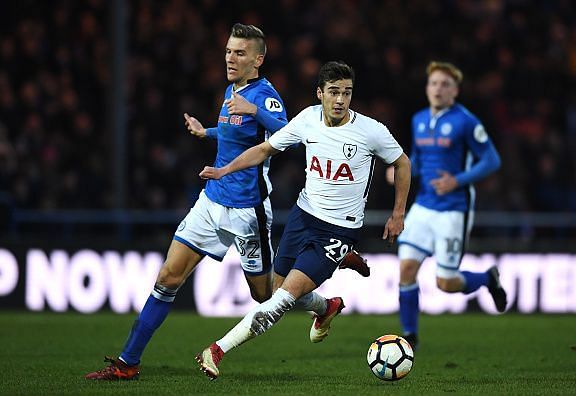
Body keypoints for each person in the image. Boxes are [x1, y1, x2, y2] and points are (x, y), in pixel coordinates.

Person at [85, 23, 288, 380]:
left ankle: (320, 301)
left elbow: (286, 136)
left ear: (258, 59)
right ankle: (127, 363)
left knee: (264, 296)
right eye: (228, 50)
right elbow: (234, 132)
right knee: (167, 278)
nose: (230, 57)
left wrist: (256, 111)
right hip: (211, 202)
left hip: (246, 210)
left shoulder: (265, 96)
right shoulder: (233, 89)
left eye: (239, 53)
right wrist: (205, 131)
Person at [195, 61, 411, 380]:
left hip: (338, 230)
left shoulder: (371, 130)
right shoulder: (308, 119)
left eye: (347, 93)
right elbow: (267, 148)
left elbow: (402, 163)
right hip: (303, 216)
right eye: (334, 92)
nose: (340, 100)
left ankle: (216, 350)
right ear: (320, 93)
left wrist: (397, 214)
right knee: (275, 292)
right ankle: (326, 307)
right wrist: (226, 169)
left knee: (281, 302)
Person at [395, 61, 506, 350]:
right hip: (423, 206)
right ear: (427, 88)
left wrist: (457, 180)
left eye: (445, 84)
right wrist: (401, 170)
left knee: (445, 282)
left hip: (453, 208)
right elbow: (419, 161)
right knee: (406, 269)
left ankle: (486, 278)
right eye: (434, 83)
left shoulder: (466, 121)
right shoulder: (418, 119)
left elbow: (492, 159)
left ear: (455, 91)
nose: (438, 89)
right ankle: (410, 336)